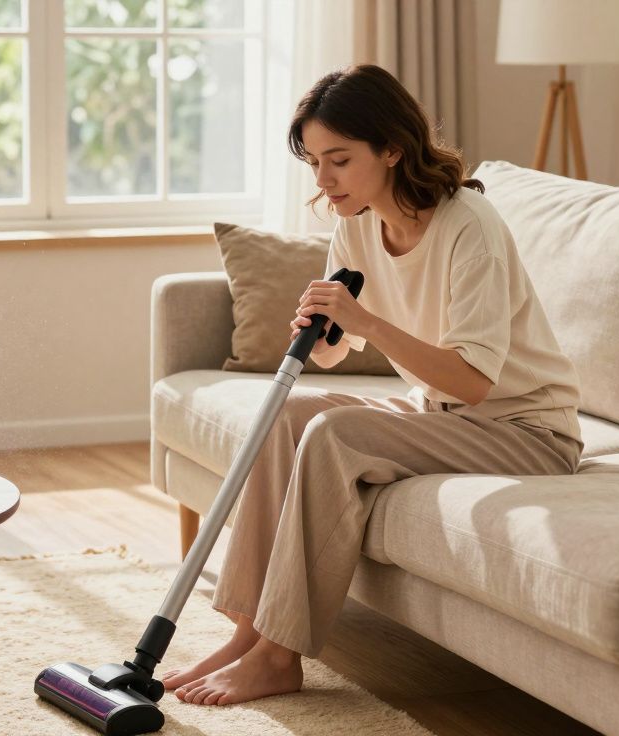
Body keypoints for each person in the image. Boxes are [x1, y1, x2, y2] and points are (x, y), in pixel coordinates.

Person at [159, 64, 585, 706]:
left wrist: (366, 320)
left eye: (339, 160)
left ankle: (279, 656)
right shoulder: (355, 223)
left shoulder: (470, 227)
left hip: (525, 431)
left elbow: (472, 382)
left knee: (334, 432)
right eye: (314, 162)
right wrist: (323, 329)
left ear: (392, 148)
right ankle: (247, 636)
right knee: (288, 415)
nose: (323, 180)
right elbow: (333, 356)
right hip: (439, 414)